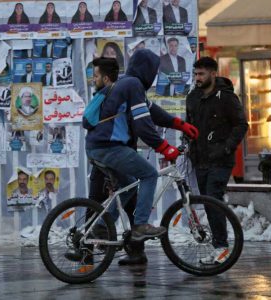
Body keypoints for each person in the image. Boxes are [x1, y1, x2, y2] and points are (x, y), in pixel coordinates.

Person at [83, 49, 199, 242]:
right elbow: (143, 124)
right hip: (108, 147)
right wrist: (163, 147)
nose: (153, 77)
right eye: (154, 72)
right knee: (149, 174)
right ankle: (140, 225)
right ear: (148, 70)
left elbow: (153, 111)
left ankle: (102, 226)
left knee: (128, 185)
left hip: (99, 147)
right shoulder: (133, 84)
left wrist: (179, 124)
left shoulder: (126, 84)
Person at [185, 57, 248, 264]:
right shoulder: (193, 97)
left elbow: (241, 125)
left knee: (213, 198)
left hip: (220, 159)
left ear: (213, 73)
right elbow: (189, 125)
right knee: (208, 202)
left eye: (201, 74)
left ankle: (222, 247)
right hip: (200, 159)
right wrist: (185, 144)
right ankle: (219, 246)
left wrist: (227, 147)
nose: (197, 78)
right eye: (195, 74)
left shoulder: (226, 97)